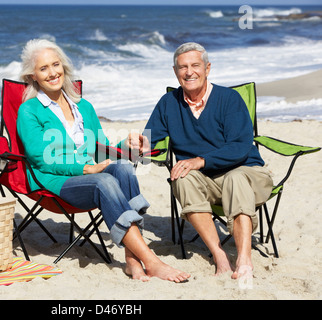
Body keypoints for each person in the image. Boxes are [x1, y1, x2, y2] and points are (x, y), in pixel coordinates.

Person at [16, 38, 190, 283]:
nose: (52, 72)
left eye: (55, 65)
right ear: (32, 76)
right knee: (103, 182)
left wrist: (124, 147)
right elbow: (41, 159)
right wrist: (86, 168)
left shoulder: (82, 106)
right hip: (54, 180)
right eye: (43, 68)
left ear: (63, 66)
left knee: (123, 168)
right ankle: (151, 261)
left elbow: (99, 149)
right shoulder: (29, 111)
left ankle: (132, 260)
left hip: (88, 174)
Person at [127, 42, 273, 280]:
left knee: (235, 178)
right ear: (175, 72)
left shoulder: (230, 99)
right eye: (182, 67)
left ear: (207, 68)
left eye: (195, 65)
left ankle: (244, 259)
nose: (189, 72)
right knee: (181, 177)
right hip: (206, 182)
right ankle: (220, 256)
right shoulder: (168, 103)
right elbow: (152, 142)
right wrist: (142, 145)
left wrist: (199, 161)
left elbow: (239, 147)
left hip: (248, 174)